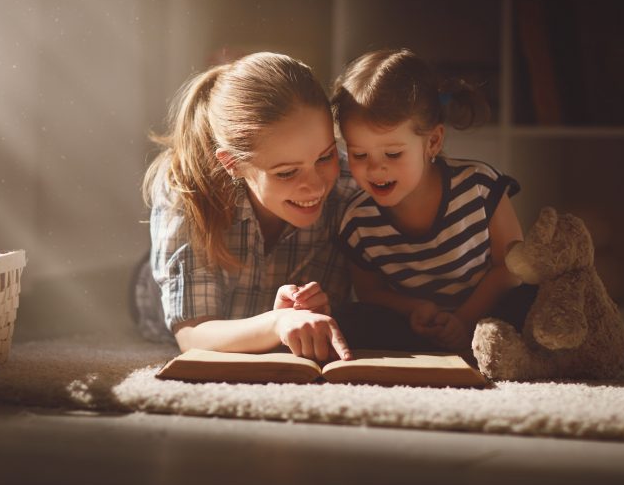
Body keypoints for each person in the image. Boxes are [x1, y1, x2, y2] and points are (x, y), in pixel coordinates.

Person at [141, 52, 357, 362]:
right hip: (158, 298)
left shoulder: (350, 185)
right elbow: (191, 334)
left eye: (325, 157)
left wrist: (303, 311)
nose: (317, 185)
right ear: (232, 164)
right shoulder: (185, 189)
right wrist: (277, 322)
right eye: (286, 172)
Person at [330, 48, 534, 355]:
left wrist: (464, 320)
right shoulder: (358, 220)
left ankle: (489, 345)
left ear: (433, 142)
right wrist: (416, 309)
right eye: (359, 155)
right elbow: (370, 292)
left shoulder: (479, 186)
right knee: (347, 318)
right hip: (417, 323)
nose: (375, 168)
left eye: (393, 154)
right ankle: (436, 344)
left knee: (533, 298)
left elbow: (510, 268)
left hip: (487, 310)